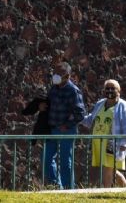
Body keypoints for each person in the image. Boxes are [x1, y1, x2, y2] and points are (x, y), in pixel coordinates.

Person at [80, 79, 126, 187]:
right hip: (98, 142)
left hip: (112, 142)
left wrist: (124, 144)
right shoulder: (100, 103)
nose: (110, 90)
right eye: (107, 88)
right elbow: (91, 119)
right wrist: (78, 118)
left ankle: (106, 191)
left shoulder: (123, 106)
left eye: (113, 88)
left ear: (119, 90)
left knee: (107, 169)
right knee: (109, 168)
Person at [45, 61, 86, 189]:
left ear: (67, 76)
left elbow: (80, 113)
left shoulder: (73, 91)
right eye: (54, 73)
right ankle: (57, 187)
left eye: (59, 74)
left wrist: (67, 125)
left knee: (65, 162)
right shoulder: (53, 88)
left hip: (66, 130)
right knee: (47, 159)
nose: (55, 76)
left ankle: (69, 189)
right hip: (52, 128)